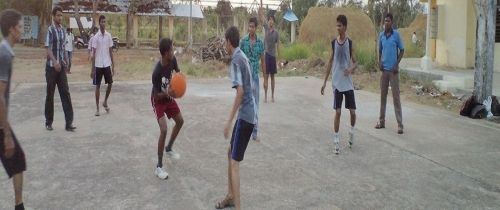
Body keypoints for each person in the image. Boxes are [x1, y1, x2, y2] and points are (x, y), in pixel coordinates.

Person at [215, 26, 256, 210]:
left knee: (234, 163)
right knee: (230, 152)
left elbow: (240, 91)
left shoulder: (236, 60)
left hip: (245, 116)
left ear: (229, 42)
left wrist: (229, 120)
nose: (224, 45)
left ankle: (238, 206)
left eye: (225, 41)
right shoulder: (242, 56)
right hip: (247, 114)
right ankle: (230, 196)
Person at [0, 9, 27, 210]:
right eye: (19, 27)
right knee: (18, 161)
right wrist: (7, 133)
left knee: (18, 161)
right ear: (11, 29)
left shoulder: (5, 50)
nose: (22, 31)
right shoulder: (5, 53)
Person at [321, 15, 358, 155]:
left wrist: (351, 69)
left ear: (345, 27)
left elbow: (356, 62)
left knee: (353, 112)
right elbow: (330, 62)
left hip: (347, 84)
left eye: (340, 26)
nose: (338, 28)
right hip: (337, 83)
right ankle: (336, 140)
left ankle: (351, 131)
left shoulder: (350, 43)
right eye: (336, 25)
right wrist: (324, 82)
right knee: (337, 112)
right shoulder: (333, 43)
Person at [151, 38, 184, 179]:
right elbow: (157, 96)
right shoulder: (157, 72)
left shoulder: (173, 60)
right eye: (171, 49)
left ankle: (169, 148)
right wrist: (168, 93)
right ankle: (158, 167)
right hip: (158, 99)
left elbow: (178, 74)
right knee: (164, 129)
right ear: (165, 53)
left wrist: (180, 82)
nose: (173, 51)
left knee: (180, 121)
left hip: (168, 96)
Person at [44, 6, 76, 132]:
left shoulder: (63, 30)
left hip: (61, 68)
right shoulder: (50, 30)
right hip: (51, 68)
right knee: (50, 95)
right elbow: (47, 48)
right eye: (58, 15)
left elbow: (62, 47)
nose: (60, 17)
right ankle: (48, 122)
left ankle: (69, 123)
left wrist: (65, 61)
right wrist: (54, 61)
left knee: (66, 94)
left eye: (61, 15)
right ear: (53, 16)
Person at [375, 13, 405, 134]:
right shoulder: (381, 35)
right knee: (382, 97)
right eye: (385, 21)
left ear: (391, 22)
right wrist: (379, 62)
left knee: (396, 98)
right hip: (384, 71)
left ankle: (400, 125)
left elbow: (402, 50)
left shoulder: (396, 35)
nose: (386, 23)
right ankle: (381, 122)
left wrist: (396, 64)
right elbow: (380, 50)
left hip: (393, 72)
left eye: (388, 21)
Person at [239, 17, 265, 141]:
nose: (251, 29)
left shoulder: (260, 43)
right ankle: (243, 132)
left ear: (256, 28)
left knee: (255, 105)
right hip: (245, 79)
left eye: (253, 26)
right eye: (249, 26)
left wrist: (265, 79)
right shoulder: (243, 41)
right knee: (244, 104)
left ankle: (254, 133)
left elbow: (263, 61)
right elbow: (239, 60)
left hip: (255, 77)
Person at [91, 15, 114, 116]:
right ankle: (97, 108)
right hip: (98, 65)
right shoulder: (95, 37)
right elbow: (93, 53)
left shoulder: (109, 36)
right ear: (99, 23)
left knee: (110, 83)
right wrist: (92, 69)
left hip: (107, 64)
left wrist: (114, 65)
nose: (103, 24)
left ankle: (105, 102)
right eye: (102, 22)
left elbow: (111, 51)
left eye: (105, 22)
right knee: (97, 86)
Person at [259, 6, 279, 103]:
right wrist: (261, 8)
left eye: (272, 20)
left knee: (272, 77)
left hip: (273, 57)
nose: (270, 21)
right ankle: (266, 96)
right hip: (266, 56)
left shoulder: (276, 33)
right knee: (265, 76)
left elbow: (278, 46)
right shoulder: (266, 29)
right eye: (269, 20)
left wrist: (279, 59)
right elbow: (262, 17)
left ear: (274, 22)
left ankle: (272, 96)